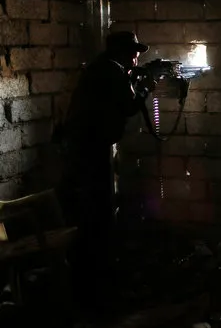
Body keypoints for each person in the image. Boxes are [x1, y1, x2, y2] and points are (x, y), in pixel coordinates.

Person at [57, 31, 156, 311]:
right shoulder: (111, 72)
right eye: (133, 51)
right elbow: (128, 107)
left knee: (90, 209)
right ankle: (94, 282)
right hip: (89, 149)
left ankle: (89, 275)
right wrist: (146, 88)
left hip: (81, 147)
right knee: (97, 211)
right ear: (122, 52)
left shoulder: (102, 69)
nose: (137, 57)